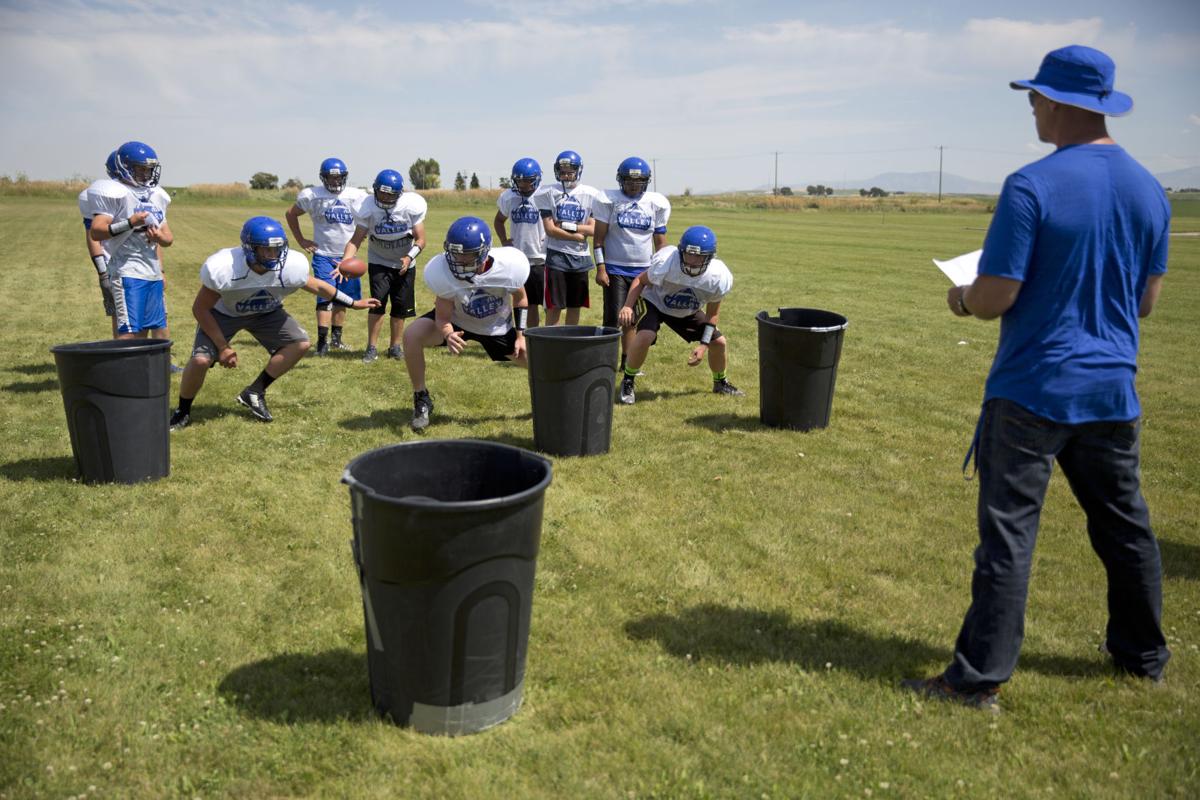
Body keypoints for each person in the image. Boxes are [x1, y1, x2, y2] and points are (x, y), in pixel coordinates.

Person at [902, 45, 1171, 712]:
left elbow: (996, 294)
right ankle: (1144, 656)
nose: (1031, 106)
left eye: (1035, 96)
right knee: (1125, 526)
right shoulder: (1149, 190)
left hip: (1033, 389)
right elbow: (1145, 302)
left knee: (1010, 535)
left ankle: (977, 679)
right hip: (1113, 388)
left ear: (1060, 103)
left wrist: (961, 298)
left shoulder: (1031, 185)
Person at [168, 217, 379, 429]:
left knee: (300, 343)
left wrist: (353, 303)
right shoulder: (225, 268)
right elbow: (200, 308)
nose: (273, 255)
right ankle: (182, 410)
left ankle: (254, 391)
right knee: (200, 361)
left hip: (266, 312)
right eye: (266, 250)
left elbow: (319, 287)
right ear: (250, 249)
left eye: (277, 249)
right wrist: (223, 347)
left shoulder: (290, 266)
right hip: (224, 314)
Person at [402, 217, 530, 432]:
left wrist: (520, 335)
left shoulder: (508, 268)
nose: (459, 260)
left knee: (540, 366)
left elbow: (522, 299)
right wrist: (448, 333)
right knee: (412, 335)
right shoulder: (443, 272)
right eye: (455, 254)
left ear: (483, 252)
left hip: (496, 326)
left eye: (467, 255)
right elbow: (442, 316)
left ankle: (551, 400)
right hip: (458, 321)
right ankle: (421, 398)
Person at [616, 225, 745, 404]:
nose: (692, 261)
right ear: (680, 251)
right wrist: (628, 306)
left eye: (699, 256)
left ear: (710, 257)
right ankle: (628, 380)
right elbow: (640, 280)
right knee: (646, 335)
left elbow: (712, 315)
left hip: (686, 310)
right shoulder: (667, 263)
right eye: (689, 254)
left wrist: (703, 345)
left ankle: (720, 382)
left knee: (719, 342)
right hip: (655, 302)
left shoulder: (718, 277)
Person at [86, 141, 174, 340]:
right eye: (140, 169)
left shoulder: (155, 195)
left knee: (152, 327)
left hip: (152, 273)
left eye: (149, 169)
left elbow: (168, 238)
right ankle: (123, 370)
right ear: (124, 168)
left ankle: (147, 370)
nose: (146, 173)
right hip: (127, 271)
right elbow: (97, 232)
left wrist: (160, 237)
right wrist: (129, 223)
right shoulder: (114, 193)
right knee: (129, 332)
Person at [340, 169, 427, 363]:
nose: (386, 197)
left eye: (391, 194)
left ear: (400, 193)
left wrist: (409, 257)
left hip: (405, 262)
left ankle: (395, 347)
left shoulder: (410, 206)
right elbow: (355, 241)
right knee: (377, 305)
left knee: (400, 308)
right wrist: (345, 263)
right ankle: (371, 348)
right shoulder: (367, 207)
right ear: (375, 189)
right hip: (379, 261)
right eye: (383, 192)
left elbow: (421, 240)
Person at [285, 157, 369, 356]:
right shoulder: (312, 195)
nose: (335, 181)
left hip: (348, 257)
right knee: (325, 297)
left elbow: (369, 218)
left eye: (338, 177)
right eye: (331, 178)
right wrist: (302, 240)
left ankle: (336, 340)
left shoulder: (357, 195)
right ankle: (322, 342)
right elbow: (290, 214)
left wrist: (363, 235)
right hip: (324, 254)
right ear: (323, 178)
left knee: (343, 300)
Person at [593, 156, 671, 370]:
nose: (634, 185)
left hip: (643, 270)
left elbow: (661, 244)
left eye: (638, 181)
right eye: (629, 181)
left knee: (634, 319)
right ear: (621, 180)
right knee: (613, 320)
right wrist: (601, 268)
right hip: (615, 268)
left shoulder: (655, 204)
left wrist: (661, 271)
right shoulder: (609, 200)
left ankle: (628, 363)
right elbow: (598, 240)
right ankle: (605, 361)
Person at [534, 150, 603, 326]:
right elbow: (550, 230)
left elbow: (593, 229)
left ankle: (569, 342)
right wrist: (578, 236)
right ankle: (552, 342)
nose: (565, 175)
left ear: (578, 170)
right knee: (554, 306)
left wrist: (566, 226)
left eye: (569, 171)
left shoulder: (591, 194)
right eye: (562, 171)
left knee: (575, 305)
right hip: (557, 255)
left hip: (580, 258)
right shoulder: (548, 192)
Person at [495, 158, 547, 328]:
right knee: (527, 302)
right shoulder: (509, 197)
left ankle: (551, 335)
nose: (523, 185)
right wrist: (504, 240)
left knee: (548, 305)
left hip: (542, 257)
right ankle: (527, 335)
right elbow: (499, 221)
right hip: (518, 258)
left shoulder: (545, 195)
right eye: (519, 180)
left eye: (527, 180)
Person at [78, 151, 120, 337]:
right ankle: (123, 359)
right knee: (119, 313)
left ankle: (158, 358)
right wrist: (103, 272)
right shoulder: (94, 195)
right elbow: (92, 235)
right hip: (113, 262)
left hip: (137, 262)